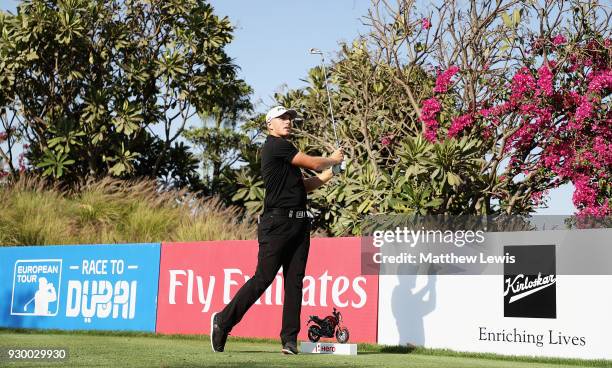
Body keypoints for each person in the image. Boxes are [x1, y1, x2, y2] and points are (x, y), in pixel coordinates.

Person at [210, 106, 344, 355]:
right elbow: (313, 163)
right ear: (270, 124)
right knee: (263, 278)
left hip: (299, 224)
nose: (288, 121)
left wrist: (330, 174)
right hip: (277, 224)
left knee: (294, 283)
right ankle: (223, 321)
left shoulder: (285, 155)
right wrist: (332, 159)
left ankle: (289, 340)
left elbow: (303, 186)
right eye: (283, 118)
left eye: (290, 118)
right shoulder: (275, 145)